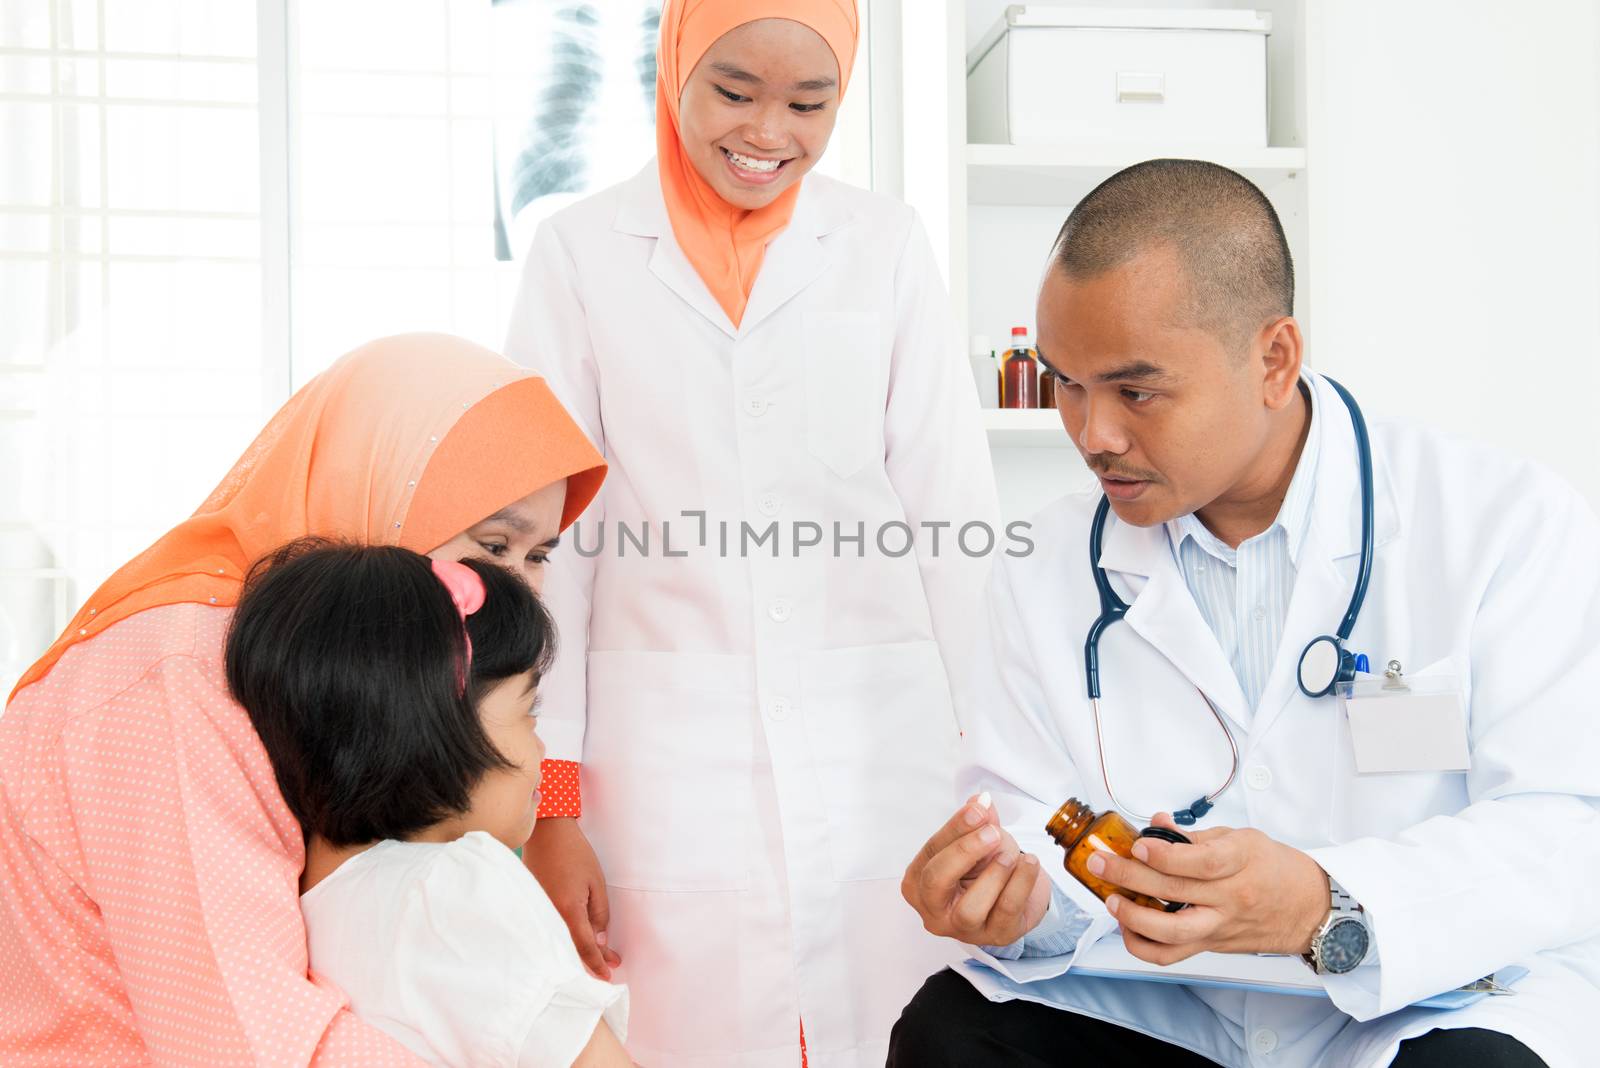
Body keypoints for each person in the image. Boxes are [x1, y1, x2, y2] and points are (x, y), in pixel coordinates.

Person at [892, 160, 1598, 1067]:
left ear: (1273, 360)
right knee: (949, 1034)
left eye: (1135, 391)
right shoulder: (1046, 568)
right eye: (1066, 382)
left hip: (1428, 1004)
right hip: (1175, 1011)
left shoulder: (1500, 525)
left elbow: (1566, 824)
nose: (1092, 432)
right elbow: (1031, 821)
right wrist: (1017, 905)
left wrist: (1321, 899)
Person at [502, 1, 1001, 1064]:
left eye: (808, 102)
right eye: (734, 91)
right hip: (666, 761)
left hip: (881, 749)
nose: (769, 133)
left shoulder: (882, 245)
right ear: (672, 63)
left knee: (897, 1027)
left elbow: (949, 514)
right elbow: (553, 552)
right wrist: (553, 803)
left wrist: (1002, 768)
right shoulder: (579, 256)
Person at [0, 334, 607, 1066]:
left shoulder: (331, 670)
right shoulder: (180, 678)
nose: (517, 590)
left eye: (538, 555)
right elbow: (244, 1041)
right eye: (493, 545)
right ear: (375, 491)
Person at [226, 542, 629, 1066]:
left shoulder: (312, 896)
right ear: (433, 728)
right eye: (530, 713)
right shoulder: (455, 891)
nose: (540, 748)